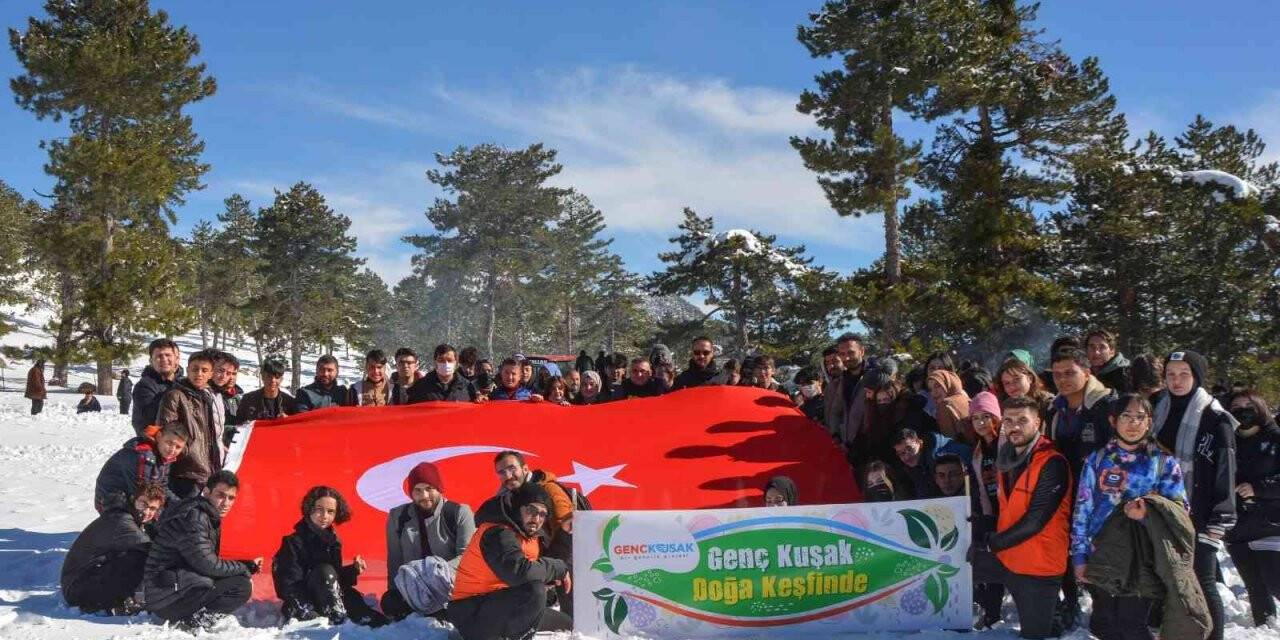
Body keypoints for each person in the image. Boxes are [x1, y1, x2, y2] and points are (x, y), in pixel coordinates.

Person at [1070, 392, 1188, 640]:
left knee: (1131, 623)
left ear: (1149, 422)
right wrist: (1080, 556)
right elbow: (1083, 510)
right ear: (1113, 421)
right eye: (1126, 416)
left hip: (1142, 556)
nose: (1133, 423)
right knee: (1104, 623)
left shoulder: (1163, 463)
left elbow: (1180, 510)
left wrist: (1148, 511)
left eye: (1140, 417)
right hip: (1101, 553)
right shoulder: (1098, 459)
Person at [970, 395, 1072, 640]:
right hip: (1011, 557)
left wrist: (992, 542)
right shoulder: (1007, 457)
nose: (1014, 426)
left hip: (1038, 565)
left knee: (1034, 634)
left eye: (1022, 420)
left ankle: (1054, 616)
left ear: (1037, 423)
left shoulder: (1052, 463)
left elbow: (1035, 521)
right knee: (956, 563)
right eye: (1009, 420)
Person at [1153, 350, 1236, 640]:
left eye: (1184, 374)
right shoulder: (1156, 407)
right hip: (1161, 508)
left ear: (1197, 377)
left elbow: (1226, 470)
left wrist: (1220, 517)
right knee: (1164, 578)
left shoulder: (1216, 418)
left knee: (1202, 579)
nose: (1176, 381)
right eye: (1171, 375)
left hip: (1200, 511)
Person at [1043, 347, 1114, 630]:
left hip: (1102, 496)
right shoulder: (1055, 409)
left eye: (1070, 373)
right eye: (1057, 374)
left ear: (1087, 372)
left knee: (1102, 553)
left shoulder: (1106, 405)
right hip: (1067, 492)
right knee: (1068, 551)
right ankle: (1071, 603)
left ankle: (1105, 610)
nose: (1063, 379)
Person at [447, 482, 573, 639]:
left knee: (567, 624)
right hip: (471, 613)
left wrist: (564, 532)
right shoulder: (497, 532)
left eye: (542, 514)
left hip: (501, 605)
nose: (536, 518)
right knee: (534, 591)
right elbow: (520, 572)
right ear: (518, 508)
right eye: (531, 510)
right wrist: (558, 568)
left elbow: (544, 563)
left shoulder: (528, 533)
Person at [143, 470, 260, 630]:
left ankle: (194, 617)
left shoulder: (204, 514)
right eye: (221, 495)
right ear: (206, 491)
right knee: (241, 586)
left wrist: (244, 565)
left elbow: (203, 558)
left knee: (233, 579)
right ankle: (195, 623)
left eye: (231, 498)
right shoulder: (195, 518)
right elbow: (206, 564)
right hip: (166, 597)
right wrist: (243, 568)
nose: (225, 502)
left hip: (172, 587)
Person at [272, 486, 387, 626]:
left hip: (328, 600)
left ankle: (362, 619)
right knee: (324, 570)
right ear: (309, 508)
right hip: (302, 603)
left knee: (352, 597)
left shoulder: (333, 541)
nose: (325, 516)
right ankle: (337, 618)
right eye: (319, 509)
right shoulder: (293, 542)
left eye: (330, 511)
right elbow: (288, 585)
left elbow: (333, 580)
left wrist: (354, 570)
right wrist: (310, 613)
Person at [382, 462, 476, 620]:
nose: (424, 496)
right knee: (390, 602)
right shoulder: (397, 517)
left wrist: (432, 572)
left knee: (466, 609)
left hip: (451, 588)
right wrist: (396, 590)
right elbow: (395, 560)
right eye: (417, 490)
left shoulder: (459, 512)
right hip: (415, 590)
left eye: (429, 489)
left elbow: (467, 558)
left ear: (439, 489)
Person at [62, 482, 167, 615]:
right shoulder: (121, 520)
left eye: (152, 508)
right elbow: (150, 549)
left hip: (84, 581)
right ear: (133, 499)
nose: (147, 512)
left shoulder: (134, 519)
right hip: (77, 589)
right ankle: (117, 603)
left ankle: (126, 599)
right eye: (143, 504)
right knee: (140, 557)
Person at [494, 451, 578, 616]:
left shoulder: (549, 489)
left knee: (572, 619)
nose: (508, 476)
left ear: (525, 468)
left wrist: (554, 565)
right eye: (501, 472)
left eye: (512, 469)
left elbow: (569, 526)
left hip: (563, 552)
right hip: (534, 558)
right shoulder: (505, 496)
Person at [1224, 390, 1280, 627]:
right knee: (1255, 586)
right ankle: (1264, 626)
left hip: (1270, 521)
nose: (1243, 411)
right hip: (1237, 524)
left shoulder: (1276, 438)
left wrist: (1259, 488)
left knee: (1274, 580)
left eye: (1249, 405)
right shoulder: (1226, 439)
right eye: (1236, 407)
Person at [160, 350, 222, 498]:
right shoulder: (176, 395)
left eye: (204, 370)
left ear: (211, 374)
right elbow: (167, 432)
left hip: (208, 471)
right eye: (195, 369)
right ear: (187, 370)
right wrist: (187, 453)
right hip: (186, 472)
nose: (199, 374)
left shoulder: (208, 396)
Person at [968, 394, 1005, 630]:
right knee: (994, 563)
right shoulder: (979, 452)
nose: (981, 423)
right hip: (995, 512)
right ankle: (993, 613)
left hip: (1014, 511)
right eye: (976, 418)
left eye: (986, 416)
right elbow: (982, 488)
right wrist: (988, 514)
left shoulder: (1007, 442)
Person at [94, 422, 187, 513]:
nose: (172, 449)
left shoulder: (163, 456)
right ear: (159, 437)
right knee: (158, 518)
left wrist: (181, 505)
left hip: (133, 501)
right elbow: (142, 492)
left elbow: (162, 488)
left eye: (178, 447)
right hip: (110, 503)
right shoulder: (143, 454)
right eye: (169, 443)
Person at [892, 428, 972, 499]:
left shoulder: (946, 455)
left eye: (909, 449)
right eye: (901, 453)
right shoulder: (913, 466)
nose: (907, 457)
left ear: (919, 442)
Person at [132, 338, 181, 436]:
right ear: (151, 361)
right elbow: (154, 417)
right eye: (159, 356)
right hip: (155, 443)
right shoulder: (144, 386)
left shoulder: (183, 383)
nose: (164, 359)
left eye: (168, 355)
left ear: (176, 359)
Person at [408, 344, 477, 403]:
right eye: (441, 360)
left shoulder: (467, 387)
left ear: (456, 362)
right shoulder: (421, 386)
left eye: (450, 360)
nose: (446, 363)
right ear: (435, 362)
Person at [927, 369, 972, 442]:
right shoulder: (963, 396)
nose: (933, 392)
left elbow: (950, 439)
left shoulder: (944, 405)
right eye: (930, 389)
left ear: (947, 384)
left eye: (937, 386)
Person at [212, 352, 244, 428]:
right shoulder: (210, 393)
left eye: (233, 374)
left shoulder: (236, 395)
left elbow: (233, 417)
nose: (231, 377)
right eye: (221, 370)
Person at [821, 346, 847, 439]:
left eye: (835, 361)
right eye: (828, 363)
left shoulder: (853, 383)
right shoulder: (829, 388)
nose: (831, 366)